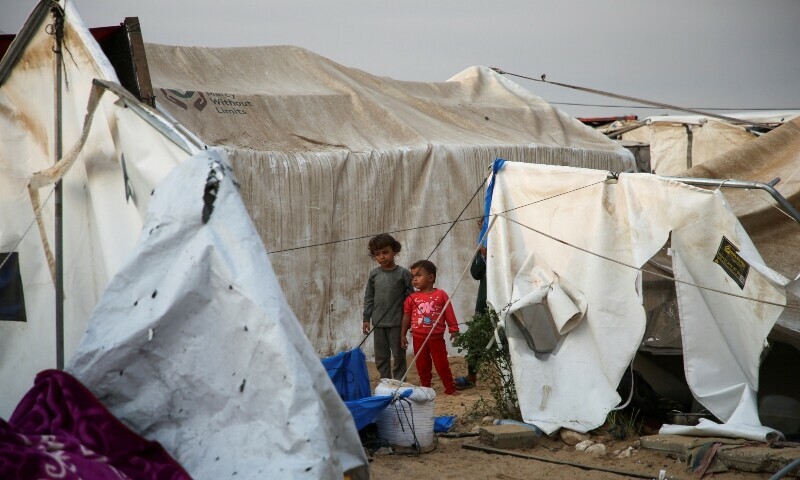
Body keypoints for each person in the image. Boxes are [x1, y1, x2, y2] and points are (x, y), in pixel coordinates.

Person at [401, 260, 460, 395]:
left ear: (431, 278)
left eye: (418, 275)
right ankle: (426, 388)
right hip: (418, 338)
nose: (414, 279)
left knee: (442, 364)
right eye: (413, 277)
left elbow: (449, 312)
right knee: (422, 365)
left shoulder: (441, 295)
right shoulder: (411, 298)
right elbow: (406, 317)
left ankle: (450, 388)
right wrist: (402, 334)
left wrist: (454, 330)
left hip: (436, 338)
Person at [363, 234, 412, 380]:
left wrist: (409, 320)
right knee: (381, 356)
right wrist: (366, 318)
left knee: (398, 355)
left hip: (397, 323)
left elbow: (411, 300)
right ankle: (385, 380)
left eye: (385, 252)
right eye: (377, 254)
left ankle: (399, 381)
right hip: (378, 322)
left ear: (394, 251)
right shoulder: (374, 275)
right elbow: (369, 297)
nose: (382, 257)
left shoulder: (403, 274)